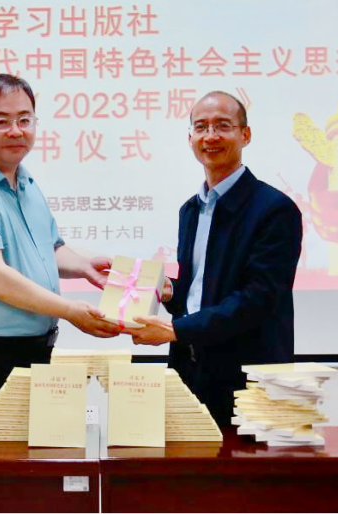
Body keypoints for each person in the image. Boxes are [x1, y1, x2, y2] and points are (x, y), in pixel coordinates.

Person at [0, 74, 121, 426]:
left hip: (33, 351)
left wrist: (83, 266)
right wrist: (70, 310)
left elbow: (48, 248)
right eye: (1, 121)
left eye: (24, 120)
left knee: (30, 458)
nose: (16, 131)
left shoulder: (26, 181)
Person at [126, 91, 303, 424]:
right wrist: (169, 291)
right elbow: (201, 293)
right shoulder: (190, 211)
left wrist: (175, 329)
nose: (210, 136)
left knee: (244, 460)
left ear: (245, 135)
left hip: (247, 380)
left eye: (222, 126)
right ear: (190, 138)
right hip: (190, 371)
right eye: (201, 127)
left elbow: (258, 299)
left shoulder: (275, 210)